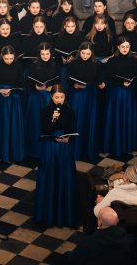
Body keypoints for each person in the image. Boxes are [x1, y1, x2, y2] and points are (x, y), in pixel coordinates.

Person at [34, 84, 79, 227]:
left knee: (64, 176)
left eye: (62, 97)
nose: (59, 100)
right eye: (56, 97)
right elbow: (43, 130)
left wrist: (69, 138)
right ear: (51, 97)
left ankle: (64, 214)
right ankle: (46, 214)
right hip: (50, 146)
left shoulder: (70, 111)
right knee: (50, 175)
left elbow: (72, 129)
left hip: (64, 147)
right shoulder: (45, 111)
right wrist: (53, 120)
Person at [102, 36, 137, 156]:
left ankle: (127, 145)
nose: (125, 49)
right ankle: (114, 145)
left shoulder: (134, 61)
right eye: (122, 46)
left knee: (127, 118)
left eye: (127, 47)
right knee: (115, 118)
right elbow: (108, 78)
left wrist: (131, 82)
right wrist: (121, 83)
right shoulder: (112, 61)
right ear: (118, 47)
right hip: (116, 94)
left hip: (129, 93)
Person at [0, 45, 25, 162]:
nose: (9, 61)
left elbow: (21, 85)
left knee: (12, 126)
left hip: (13, 99)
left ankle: (12, 153)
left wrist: (11, 91)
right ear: (2, 56)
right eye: (6, 58)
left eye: (11, 58)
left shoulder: (18, 66)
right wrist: (0, 90)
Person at [67, 42, 103, 162]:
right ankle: (75, 150)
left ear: (92, 53)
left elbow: (98, 79)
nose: (85, 56)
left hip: (91, 95)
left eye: (88, 53)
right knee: (77, 120)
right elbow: (68, 79)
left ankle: (88, 150)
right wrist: (74, 85)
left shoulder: (96, 64)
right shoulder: (73, 63)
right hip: (77, 95)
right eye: (83, 53)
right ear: (79, 52)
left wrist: (99, 83)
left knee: (89, 121)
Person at [62, 207, 133, 265]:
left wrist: (65, 255)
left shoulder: (88, 242)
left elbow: (72, 261)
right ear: (117, 220)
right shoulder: (130, 238)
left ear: (99, 222)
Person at [25, 43, 58, 158]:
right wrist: (36, 87)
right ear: (39, 54)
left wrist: (51, 88)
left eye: (47, 54)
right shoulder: (33, 65)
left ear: (51, 53)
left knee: (49, 122)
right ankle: (34, 150)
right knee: (35, 122)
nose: (45, 56)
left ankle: (48, 149)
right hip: (36, 97)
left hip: (48, 97)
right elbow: (29, 82)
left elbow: (57, 80)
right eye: (42, 54)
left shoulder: (54, 65)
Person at [53, 16, 83, 86]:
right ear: (64, 26)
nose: (70, 28)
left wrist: (74, 58)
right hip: (62, 63)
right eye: (68, 26)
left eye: (72, 26)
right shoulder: (59, 37)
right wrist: (62, 59)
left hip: (75, 62)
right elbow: (56, 52)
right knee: (63, 74)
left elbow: (81, 51)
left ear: (76, 26)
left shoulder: (79, 37)